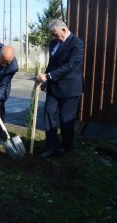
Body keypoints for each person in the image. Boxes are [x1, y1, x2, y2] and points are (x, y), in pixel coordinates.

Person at [35, 19, 84, 158]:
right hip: (54, 87)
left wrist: (48, 76)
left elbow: (70, 66)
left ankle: (66, 146)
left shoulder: (77, 44)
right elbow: (52, 63)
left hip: (70, 88)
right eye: (52, 35)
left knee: (65, 119)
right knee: (49, 113)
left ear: (64, 29)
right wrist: (46, 80)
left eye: (55, 34)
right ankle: (52, 147)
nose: (54, 37)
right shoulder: (53, 43)